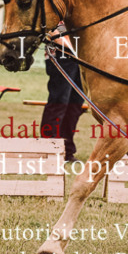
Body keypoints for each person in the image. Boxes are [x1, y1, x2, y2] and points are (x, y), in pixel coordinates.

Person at [41, 24, 85, 162]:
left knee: (75, 105)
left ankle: (67, 150)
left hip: (80, 55)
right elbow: (49, 26)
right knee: (59, 102)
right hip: (61, 53)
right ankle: (49, 148)